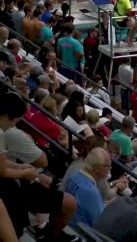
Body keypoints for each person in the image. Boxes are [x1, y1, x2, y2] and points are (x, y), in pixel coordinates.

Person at [0, 92, 78, 241]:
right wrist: (25, 173)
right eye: (14, 121)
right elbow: (2, 170)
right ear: (5, 116)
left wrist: (22, 168)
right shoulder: (3, 133)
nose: (13, 125)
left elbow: (2, 164)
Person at [64, 147, 110, 228]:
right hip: (80, 232)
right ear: (96, 168)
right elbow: (100, 224)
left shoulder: (74, 176)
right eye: (108, 166)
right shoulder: (91, 192)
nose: (110, 169)